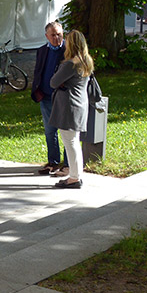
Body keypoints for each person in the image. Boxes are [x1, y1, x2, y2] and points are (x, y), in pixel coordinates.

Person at [48, 30, 95, 189]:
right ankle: (76, 175)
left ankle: (74, 177)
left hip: (69, 107)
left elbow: (53, 82)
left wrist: (61, 81)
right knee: (74, 141)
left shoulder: (70, 64)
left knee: (70, 142)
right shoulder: (86, 60)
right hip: (80, 104)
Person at [31, 21, 67, 176]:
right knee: (49, 130)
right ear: (46, 36)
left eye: (58, 34)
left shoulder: (68, 51)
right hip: (45, 96)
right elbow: (38, 71)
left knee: (66, 131)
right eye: (52, 35)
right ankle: (52, 161)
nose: (56, 37)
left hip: (63, 98)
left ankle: (68, 163)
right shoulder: (42, 51)